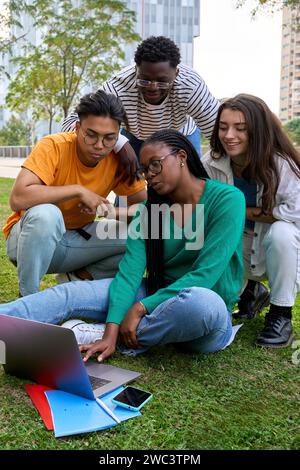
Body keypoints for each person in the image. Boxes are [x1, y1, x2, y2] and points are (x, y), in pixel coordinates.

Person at [0, 129, 245, 362]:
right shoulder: (152, 213)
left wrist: (139, 308)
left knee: (202, 302)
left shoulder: (227, 199)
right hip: (157, 291)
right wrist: (117, 321)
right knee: (70, 293)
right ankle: (6, 321)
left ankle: (105, 336)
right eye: (145, 170)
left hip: (203, 315)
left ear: (181, 157)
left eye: (156, 165)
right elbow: (128, 274)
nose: (150, 175)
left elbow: (205, 274)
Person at [2, 91, 146, 297]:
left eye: (109, 138)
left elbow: (145, 209)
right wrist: (77, 191)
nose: (99, 145)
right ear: (78, 128)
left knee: (143, 235)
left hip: (79, 238)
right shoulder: (53, 146)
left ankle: (78, 277)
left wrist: (112, 212)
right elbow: (18, 198)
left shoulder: (119, 159)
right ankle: (28, 299)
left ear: (119, 134)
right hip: (28, 242)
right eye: (91, 135)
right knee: (47, 214)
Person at [202, 93, 300, 348]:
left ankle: (281, 314)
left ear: (257, 131)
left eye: (240, 128)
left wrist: (239, 210)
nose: (229, 135)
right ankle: (250, 291)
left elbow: (293, 212)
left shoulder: (282, 165)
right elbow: (202, 205)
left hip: (280, 251)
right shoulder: (211, 162)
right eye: (223, 127)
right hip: (238, 246)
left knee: (282, 232)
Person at [62, 36, 220, 158]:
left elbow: (218, 132)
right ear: (135, 69)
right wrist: (120, 144)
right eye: (144, 79)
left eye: (162, 81)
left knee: (190, 185)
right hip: (136, 136)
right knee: (127, 179)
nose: (153, 87)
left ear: (176, 74)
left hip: (181, 133)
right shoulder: (117, 88)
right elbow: (70, 123)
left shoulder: (190, 86)